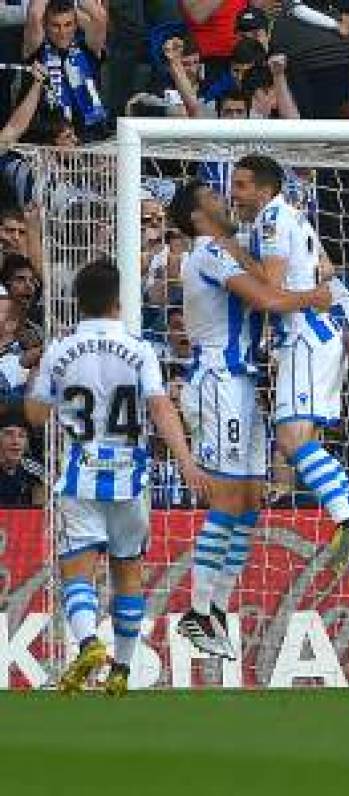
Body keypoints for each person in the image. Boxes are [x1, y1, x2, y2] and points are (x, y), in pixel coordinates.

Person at [25, 258, 208, 695]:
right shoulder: (139, 348)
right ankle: (122, 670)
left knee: (77, 573)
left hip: (81, 475)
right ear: (117, 300)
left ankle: (89, 641)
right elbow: (160, 408)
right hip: (130, 475)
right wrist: (185, 460)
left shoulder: (59, 350)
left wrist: (39, 379)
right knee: (128, 573)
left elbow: (34, 415)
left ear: (78, 302)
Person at [166, 180, 333, 658]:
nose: (226, 199)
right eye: (214, 197)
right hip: (218, 382)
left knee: (250, 502)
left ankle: (215, 609)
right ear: (199, 216)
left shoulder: (225, 249)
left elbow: (265, 278)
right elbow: (267, 300)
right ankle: (198, 611)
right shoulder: (206, 254)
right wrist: (313, 298)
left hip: (240, 385)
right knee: (228, 498)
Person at [227, 154, 349, 582]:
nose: (234, 194)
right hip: (316, 336)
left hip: (303, 339)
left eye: (241, 186)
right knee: (302, 442)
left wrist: (231, 257)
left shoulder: (273, 219)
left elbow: (270, 286)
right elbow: (326, 270)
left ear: (265, 189)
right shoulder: (293, 217)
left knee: (292, 442)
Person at [23, 0, 110, 142]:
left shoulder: (87, 48)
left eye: (68, 25)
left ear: (76, 25)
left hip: (91, 137)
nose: (62, 32)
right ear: (45, 26)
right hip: (47, 139)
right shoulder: (36, 50)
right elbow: (34, 14)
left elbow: (99, 16)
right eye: (55, 26)